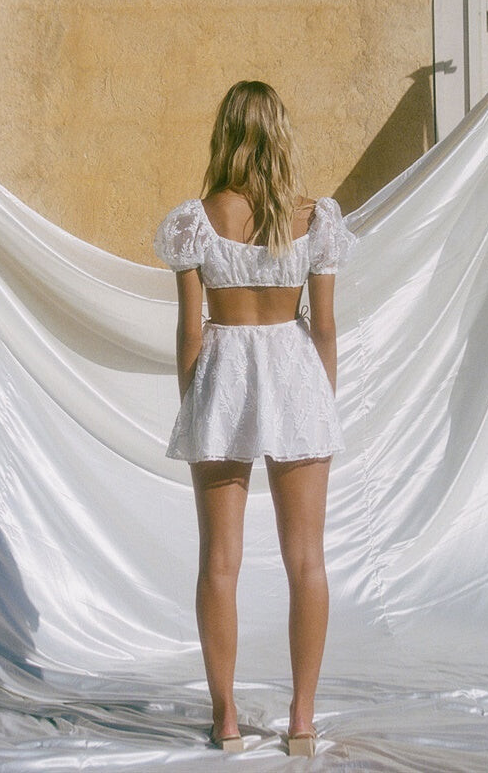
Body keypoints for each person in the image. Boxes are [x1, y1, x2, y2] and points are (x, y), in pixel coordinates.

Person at [153, 80, 356, 756]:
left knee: (219, 560)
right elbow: (323, 326)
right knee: (307, 560)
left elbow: (190, 331)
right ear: (280, 134)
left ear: (226, 135)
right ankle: (302, 720)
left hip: (222, 376)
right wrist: (320, 400)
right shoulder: (314, 219)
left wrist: (196, 402)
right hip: (296, 375)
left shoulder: (195, 219)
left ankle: (227, 720)